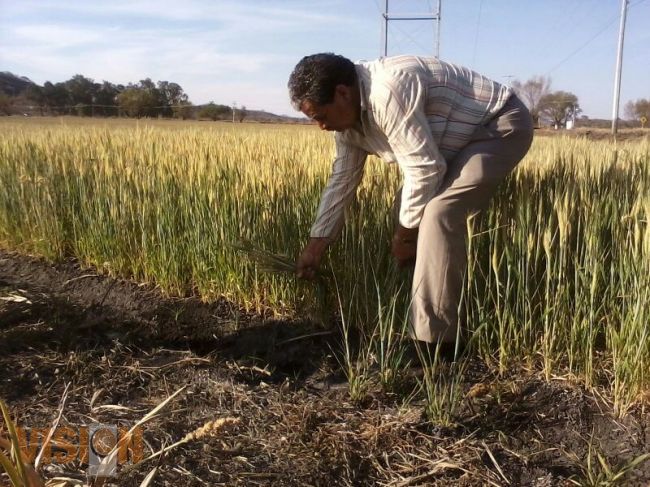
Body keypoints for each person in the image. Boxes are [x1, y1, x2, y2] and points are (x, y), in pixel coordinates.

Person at [288, 53, 533, 353]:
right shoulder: (348, 123)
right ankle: (421, 308)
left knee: (439, 215)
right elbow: (342, 181)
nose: (321, 127)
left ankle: (435, 344)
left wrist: (405, 236)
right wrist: (316, 246)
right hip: (453, 141)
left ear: (342, 93)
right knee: (406, 208)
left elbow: (426, 169)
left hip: (496, 125)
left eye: (321, 116)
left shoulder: (387, 92)